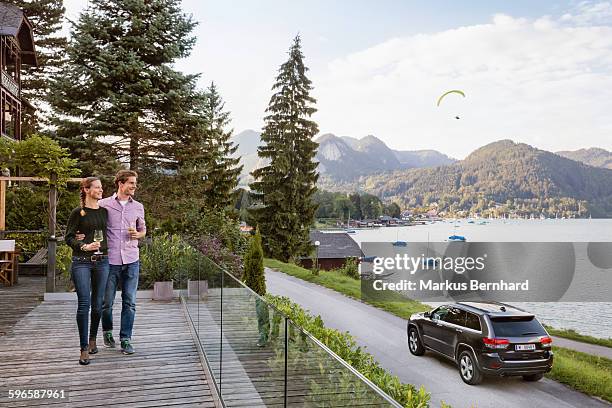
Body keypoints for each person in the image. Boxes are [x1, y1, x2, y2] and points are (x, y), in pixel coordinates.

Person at [99, 170, 146, 355]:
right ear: (120, 183)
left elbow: (143, 230)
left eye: (135, 183)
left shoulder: (138, 207)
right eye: (131, 183)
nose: (134, 186)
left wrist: (138, 234)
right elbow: (91, 223)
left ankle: (126, 339)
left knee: (130, 302)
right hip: (110, 261)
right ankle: (107, 332)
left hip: (132, 259)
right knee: (106, 302)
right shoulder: (104, 205)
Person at [65, 177, 109, 365]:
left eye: (101, 187)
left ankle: (93, 339)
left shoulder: (105, 212)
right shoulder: (78, 213)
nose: (100, 190)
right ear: (86, 189)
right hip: (81, 262)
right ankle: (83, 348)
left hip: (102, 262)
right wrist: (83, 245)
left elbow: (109, 236)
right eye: (97, 187)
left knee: (98, 305)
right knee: (84, 305)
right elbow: (68, 238)